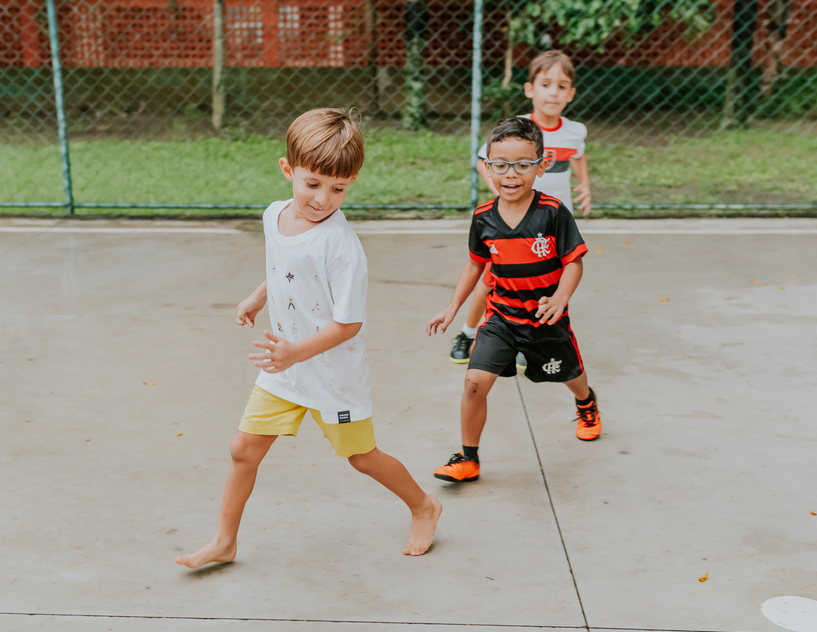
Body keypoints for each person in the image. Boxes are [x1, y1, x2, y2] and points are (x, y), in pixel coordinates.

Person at [176, 109, 442, 569]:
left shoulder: (342, 247)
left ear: (352, 181)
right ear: (288, 170)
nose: (323, 199)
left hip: (331, 373)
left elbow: (348, 324)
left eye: (338, 189)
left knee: (361, 457)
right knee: (243, 450)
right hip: (285, 367)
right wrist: (258, 297)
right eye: (313, 183)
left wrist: (295, 352)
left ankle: (424, 506)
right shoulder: (274, 215)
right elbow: (284, 266)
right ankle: (224, 542)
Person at [426, 116, 600, 484]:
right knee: (474, 382)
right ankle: (468, 458)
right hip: (501, 319)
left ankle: (586, 402)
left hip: (545, 320)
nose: (511, 174)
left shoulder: (553, 212)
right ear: (488, 167)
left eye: (522, 165)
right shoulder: (483, 218)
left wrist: (561, 297)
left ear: (541, 165)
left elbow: (574, 262)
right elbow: (475, 266)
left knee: (570, 376)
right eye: (501, 165)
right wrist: (452, 307)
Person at [449, 50, 591, 367]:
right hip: (513, 225)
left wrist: (585, 185)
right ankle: (468, 333)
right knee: (490, 279)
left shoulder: (574, 131)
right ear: (529, 89)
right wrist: (505, 195)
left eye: (561, 86)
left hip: (549, 228)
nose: (553, 92)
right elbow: (483, 161)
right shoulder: (517, 130)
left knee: (543, 283)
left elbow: (578, 155)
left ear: (571, 93)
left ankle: (528, 340)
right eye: (545, 84)